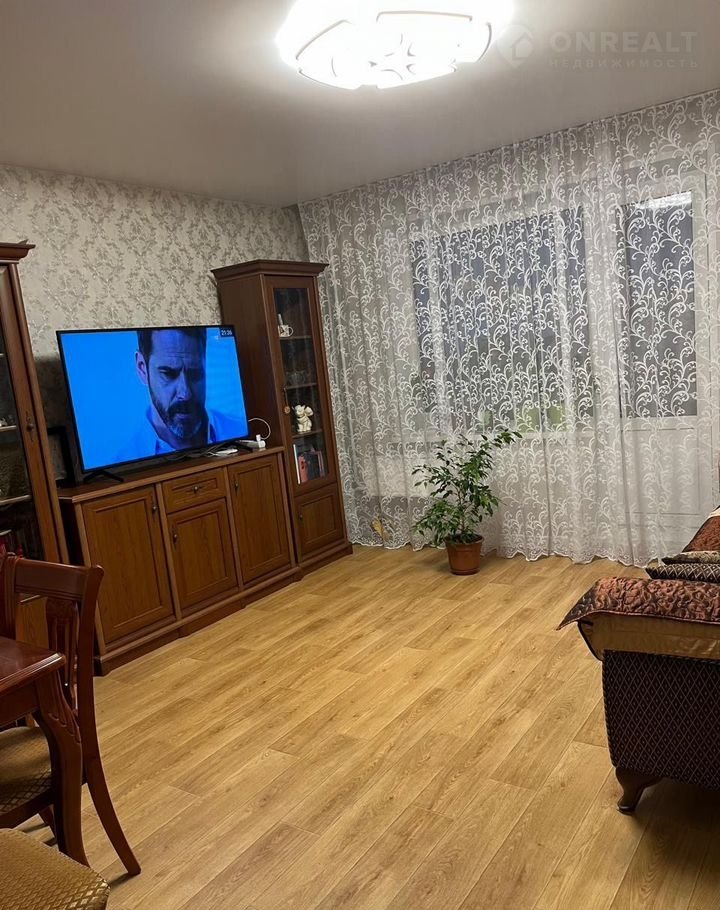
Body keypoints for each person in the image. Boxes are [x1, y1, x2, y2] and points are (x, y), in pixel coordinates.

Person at [114, 327, 247, 464]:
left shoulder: (239, 431)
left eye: (195, 373)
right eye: (168, 374)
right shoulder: (126, 459)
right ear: (142, 368)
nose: (185, 394)